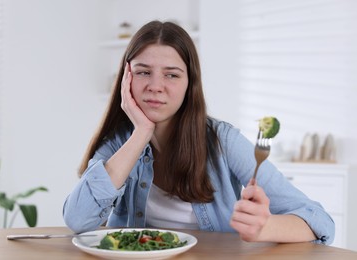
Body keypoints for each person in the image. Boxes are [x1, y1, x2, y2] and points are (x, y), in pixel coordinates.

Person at [63, 20, 334, 244]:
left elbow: (319, 221)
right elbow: (78, 220)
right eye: (143, 72)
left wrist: (263, 228)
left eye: (171, 75)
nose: (156, 86)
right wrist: (141, 133)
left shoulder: (223, 141)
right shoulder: (119, 144)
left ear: (189, 83)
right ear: (126, 79)